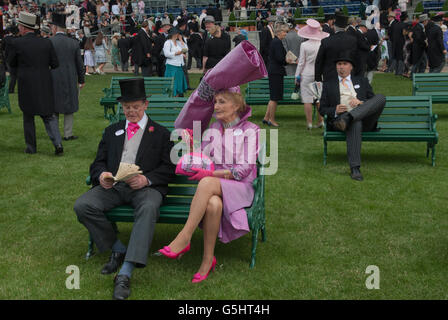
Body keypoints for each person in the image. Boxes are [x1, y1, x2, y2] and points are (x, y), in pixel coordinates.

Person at [74, 78, 176, 300]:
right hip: (115, 187)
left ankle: (126, 271)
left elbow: (170, 168)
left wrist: (146, 180)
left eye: (136, 107)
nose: (131, 111)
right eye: (127, 107)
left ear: (145, 105)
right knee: (83, 205)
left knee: (148, 207)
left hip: (146, 189)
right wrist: (102, 175)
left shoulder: (160, 133)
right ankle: (117, 248)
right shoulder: (112, 131)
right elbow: (97, 163)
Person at [158, 88, 260, 283]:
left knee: (206, 182)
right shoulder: (213, 128)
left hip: (240, 187)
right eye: (215, 102)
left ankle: (185, 236)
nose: (216, 106)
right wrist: (190, 146)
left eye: (222, 102)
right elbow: (203, 160)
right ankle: (207, 260)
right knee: (213, 204)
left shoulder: (251, 130)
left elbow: (244, 170)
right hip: (215, 187)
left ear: (236, 105)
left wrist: (212, 174)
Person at [319, 51, 386, 181]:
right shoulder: (329, 84)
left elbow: (373, 101)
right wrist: (334, 110)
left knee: (381, 98)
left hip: (365, 119)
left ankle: (350, 117)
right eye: (339, 64)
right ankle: (355, 168)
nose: (341, 67)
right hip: (341, 121)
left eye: (345, 64)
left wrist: (361, 102)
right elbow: (322, 108)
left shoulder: (362, 80)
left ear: (351, 67)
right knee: (355, 122)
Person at [7, 11, 62, 156]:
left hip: (26, 84)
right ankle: (58, 143)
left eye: (19, 26)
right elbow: (55, 64)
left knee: (28, 116)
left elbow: (11, 63)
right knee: (49, 116)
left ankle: (31, 148)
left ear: (24, 28)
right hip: (44, 83)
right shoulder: (46, 42)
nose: (18, 28)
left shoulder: (16, 43)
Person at [49, 12, 85, 142]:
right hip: (70, 77)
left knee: (54, 106)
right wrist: (81, 80)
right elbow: (79, 64)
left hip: (53, 77)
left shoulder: (49, 42)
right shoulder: (73, 43)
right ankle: (68, 133)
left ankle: (55, 133)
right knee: (69, 106)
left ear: (55, 28)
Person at [295, 19, 328, 130]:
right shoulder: (322, 44)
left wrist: (297, 76)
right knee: (318, 98)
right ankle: (321, 121)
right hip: (319, 74)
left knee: (307, 99)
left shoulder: (304, 45)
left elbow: (301, 62)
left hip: (307, 73)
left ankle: (309, 123)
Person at [263, 22, 294, 127]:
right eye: (285, 32)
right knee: (274, 98)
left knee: (273, 96)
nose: (286, 34)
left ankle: (266, 117)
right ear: (280, 32)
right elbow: (280, 59)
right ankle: (271, 119)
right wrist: (288, 61)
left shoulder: (275, 41)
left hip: (274, 71)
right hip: (276, 71)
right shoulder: (277, 42)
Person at [315, 13, 357, 82]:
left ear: (334, 26)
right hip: (347, 75)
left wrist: (318, 79)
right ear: (346, 28)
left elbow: (319, 62)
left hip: (329, 76)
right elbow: (356, 58)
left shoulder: (326, 41)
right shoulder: (353, 40)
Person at [163, 28, 188, 97]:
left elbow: (186, 49)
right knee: (172, 84)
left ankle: (176, 100)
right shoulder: (168, 42)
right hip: (171, 66)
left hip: (179, 65)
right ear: (173, 34)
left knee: (178, 84)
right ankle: (171, 100)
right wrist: (177, 53)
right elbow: (166, 54)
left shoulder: (178, 42)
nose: (178, 35)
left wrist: (181, 40)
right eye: (177, 34)